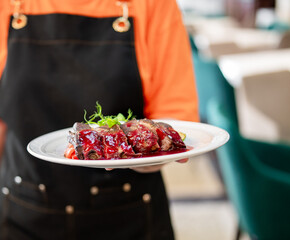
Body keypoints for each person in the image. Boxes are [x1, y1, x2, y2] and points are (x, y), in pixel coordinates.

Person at [0, 0, 199, 239]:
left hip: (130, 216)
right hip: (24, 208)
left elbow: (174, 119)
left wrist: (138, 152)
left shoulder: (154, 4)